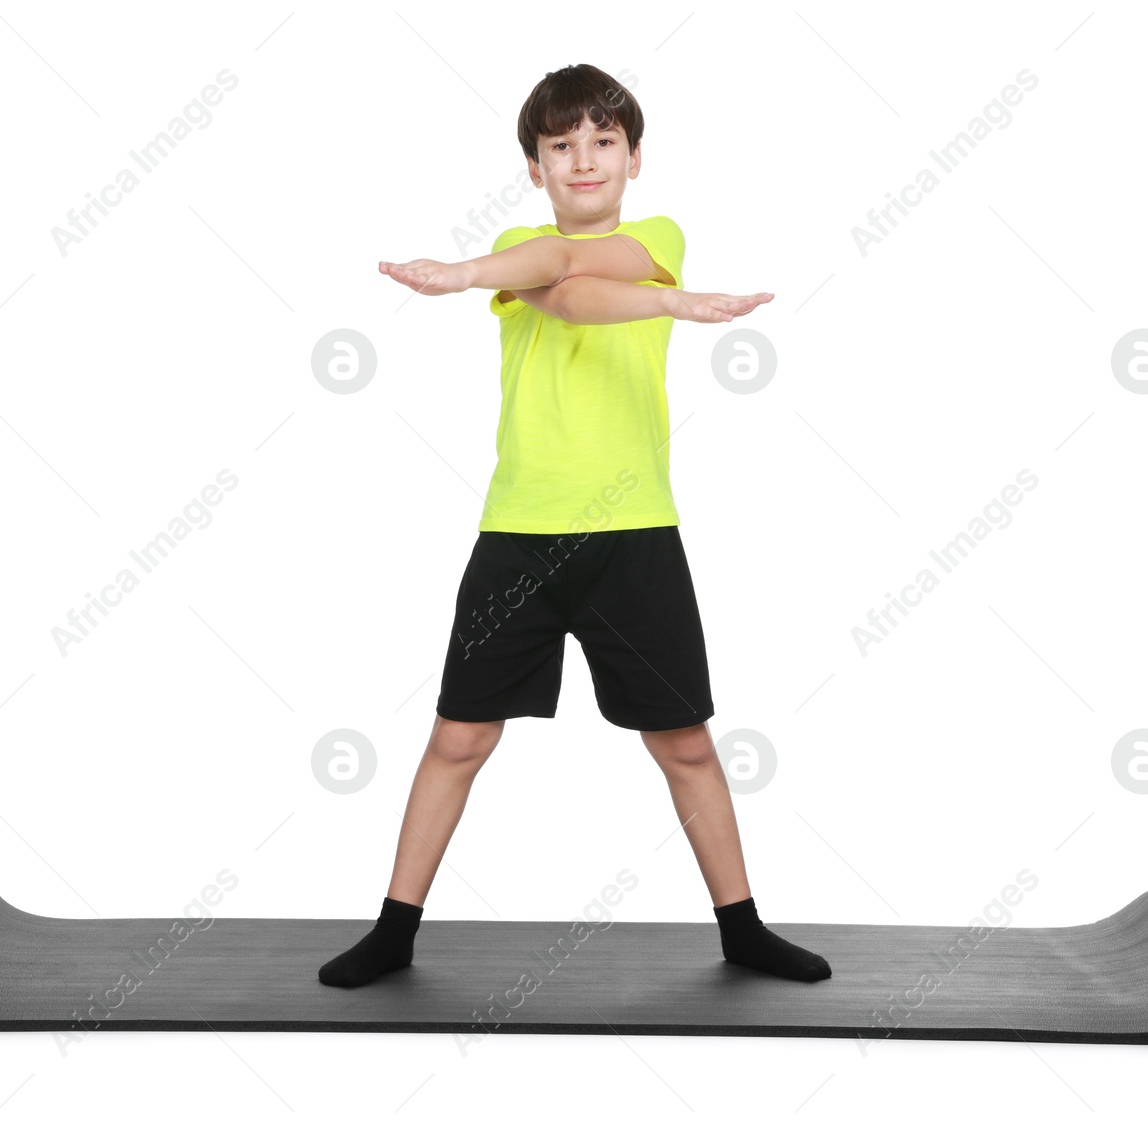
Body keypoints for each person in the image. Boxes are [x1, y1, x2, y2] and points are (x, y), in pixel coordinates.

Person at [319, 63, 829, 988]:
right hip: (518, 534)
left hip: (635, 536)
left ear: (634, 158)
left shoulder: (658, 236)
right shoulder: (523, 247)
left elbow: (590, 283)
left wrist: (657, 295)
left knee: (684, 744)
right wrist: (479, 270)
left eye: (602, 142)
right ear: (535, 165)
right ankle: (393, 932)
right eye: (562, 146)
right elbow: (560, 278)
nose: (584, 159)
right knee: (459, 738)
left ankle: (743, 929)